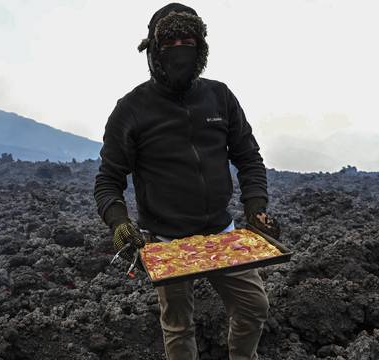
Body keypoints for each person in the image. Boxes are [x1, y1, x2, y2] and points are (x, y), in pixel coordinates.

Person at [93, 3, 281, 360]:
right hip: (166, 238)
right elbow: (108, 179)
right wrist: (119, 223)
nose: (180, 47)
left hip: (221, 231)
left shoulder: (220, 96)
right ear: (152, 49)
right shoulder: (131, 109)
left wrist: (256, 208)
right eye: (171, 40)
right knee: (178, 325)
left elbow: (248, 158)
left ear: (201, 47)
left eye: (188, 39)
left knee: (254, 304)